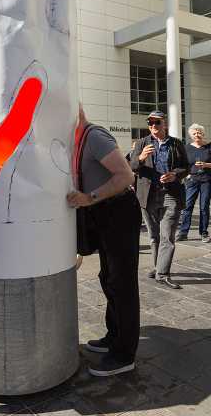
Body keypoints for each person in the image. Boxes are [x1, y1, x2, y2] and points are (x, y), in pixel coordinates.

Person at [67, 105, 141, 377]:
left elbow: (125, 176)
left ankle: (124, 354)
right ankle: (114, 335)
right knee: (108, 276)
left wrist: (90, 197)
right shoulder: (76, 139)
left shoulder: (94, 136)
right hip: (104, 213)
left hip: (118, 211)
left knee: (122, 282)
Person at [130, 111, 189, 289]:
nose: (153, 126)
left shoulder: (176, 144)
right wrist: (140, 158)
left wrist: (175, 175)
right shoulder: (142, 143)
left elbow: (186, 167)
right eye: (150, 123)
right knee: (154, 236)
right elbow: (131, 166)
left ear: (165, 124)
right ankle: (157, 267)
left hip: (170, 194)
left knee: (167, 235)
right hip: (147, 195)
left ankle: (162, 274)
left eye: (157, 123)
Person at [176, 124, 211, 243]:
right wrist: (186, 174)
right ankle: (183, 232)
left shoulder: (209, 146)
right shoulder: (187, 148)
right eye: (195, 133)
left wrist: (206, 165)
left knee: (204, 207)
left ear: (203, 133)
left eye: (199, 132)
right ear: (191, 135)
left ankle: (204, 232)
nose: (197, 135)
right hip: (192, 180)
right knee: (187, 206)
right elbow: (183, 164)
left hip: (206, 180)